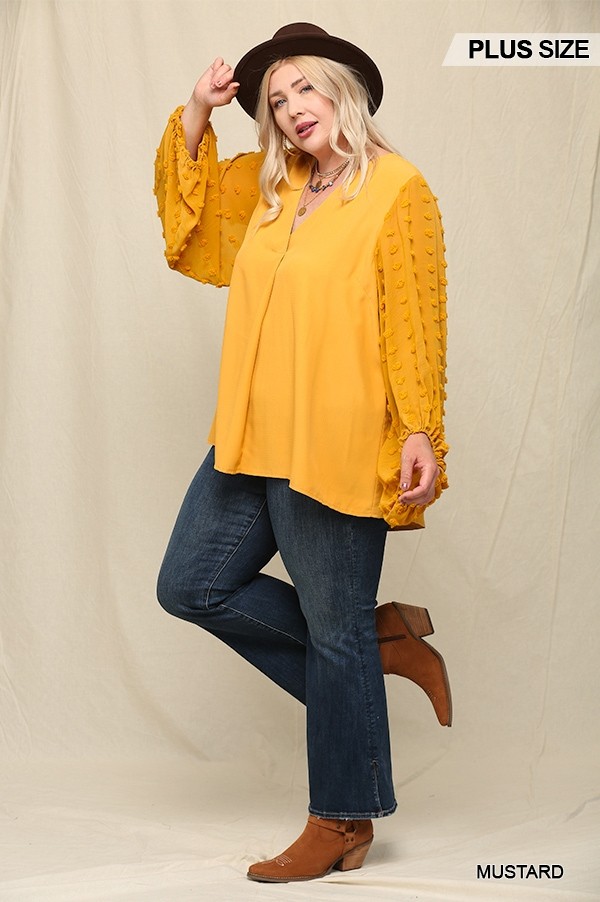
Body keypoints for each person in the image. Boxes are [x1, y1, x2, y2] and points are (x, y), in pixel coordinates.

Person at [153, 22, 451, 884]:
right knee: (192, 585)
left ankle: (342, 819)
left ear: (343, 90)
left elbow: (415, 318)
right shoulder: (270, 185)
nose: (290, 109)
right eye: (276, 101)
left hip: (336, 437)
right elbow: (193, 232)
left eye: (304, 89)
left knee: (333, 631)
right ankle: (378, 639)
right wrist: (199, 111)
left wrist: (419, 427)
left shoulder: (397, 189)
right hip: (250, 433)